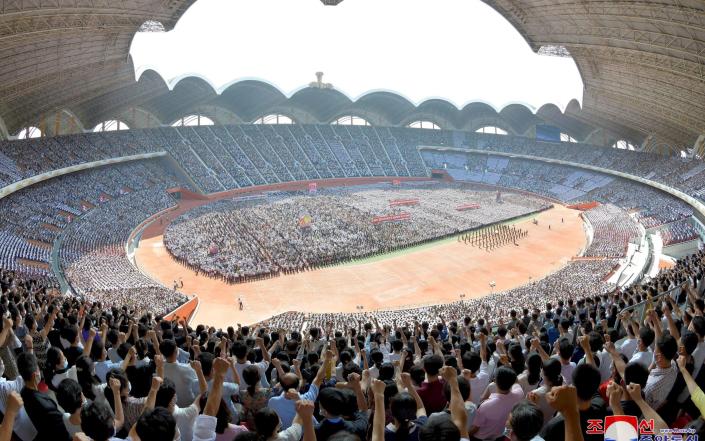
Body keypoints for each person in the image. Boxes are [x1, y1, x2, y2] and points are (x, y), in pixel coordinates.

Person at [18, 352, 72, 441]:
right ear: (34, 375)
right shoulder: (44, 405)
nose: (40, 372)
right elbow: (62, 427)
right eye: (38, 369)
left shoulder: (23, 393)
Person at [468, 366, 523, 440]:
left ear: (494, 381)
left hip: (481, 438)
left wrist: (463, 435)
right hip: (499, 435)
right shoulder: (519, 393)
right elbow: (516, 382)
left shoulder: (486, 406)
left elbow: (475, 429)